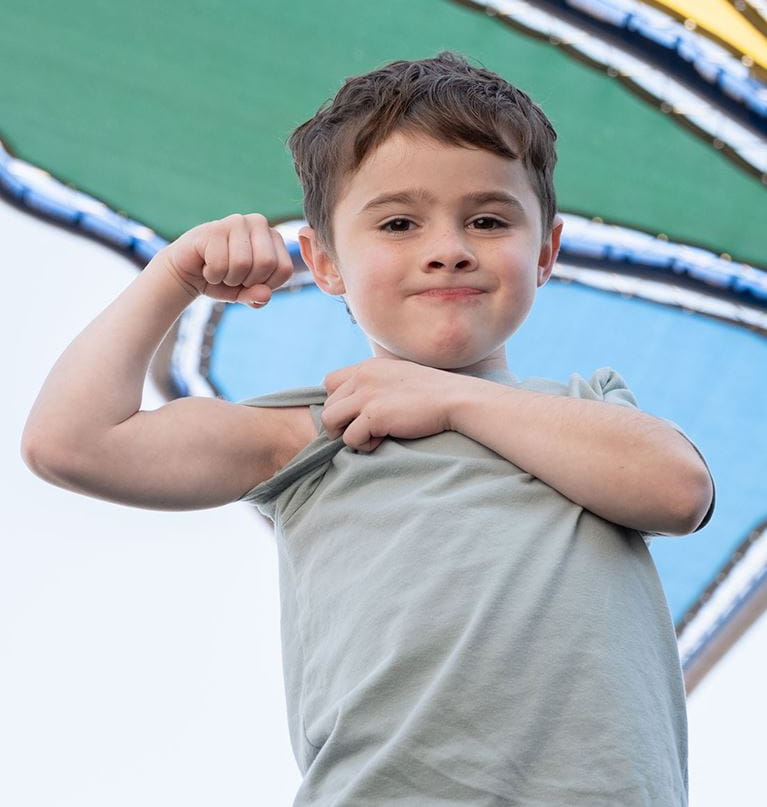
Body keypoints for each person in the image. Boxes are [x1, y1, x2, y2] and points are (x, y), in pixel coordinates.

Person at [21, 51, 715, 805]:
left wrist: (450, 401)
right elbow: (70, 443)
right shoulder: (314, 434)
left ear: (544, 251)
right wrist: (171, 278)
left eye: (486, 219)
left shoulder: (589, 409)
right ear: (325, 264)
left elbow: (677, 490)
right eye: (396, 222)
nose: (446, 247)